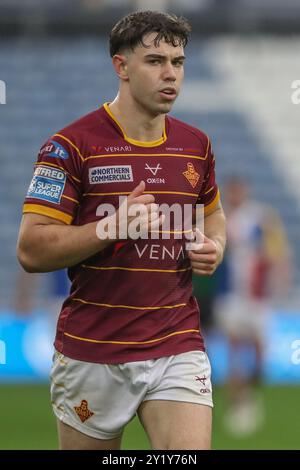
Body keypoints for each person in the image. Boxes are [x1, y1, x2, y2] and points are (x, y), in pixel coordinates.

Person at [17, 10, 226, 450]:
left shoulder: (196, 145)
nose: (170, 74)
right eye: (155, 61)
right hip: (93, 348)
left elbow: (213, 213)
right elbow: (32, 250)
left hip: (177, 340)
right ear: (121, 66)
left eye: (178, 61)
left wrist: (216, 244)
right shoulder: (69, 147)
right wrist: (110, 226)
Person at [215, 177, 290, 435]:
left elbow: (278, 253)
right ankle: (237, 403)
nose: (235, 196)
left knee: (259, 356)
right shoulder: (220, 218)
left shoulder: (261, 218)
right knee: (234, 350)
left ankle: (248, 392)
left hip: (258, 298)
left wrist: (278, 277)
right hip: (231, 297)